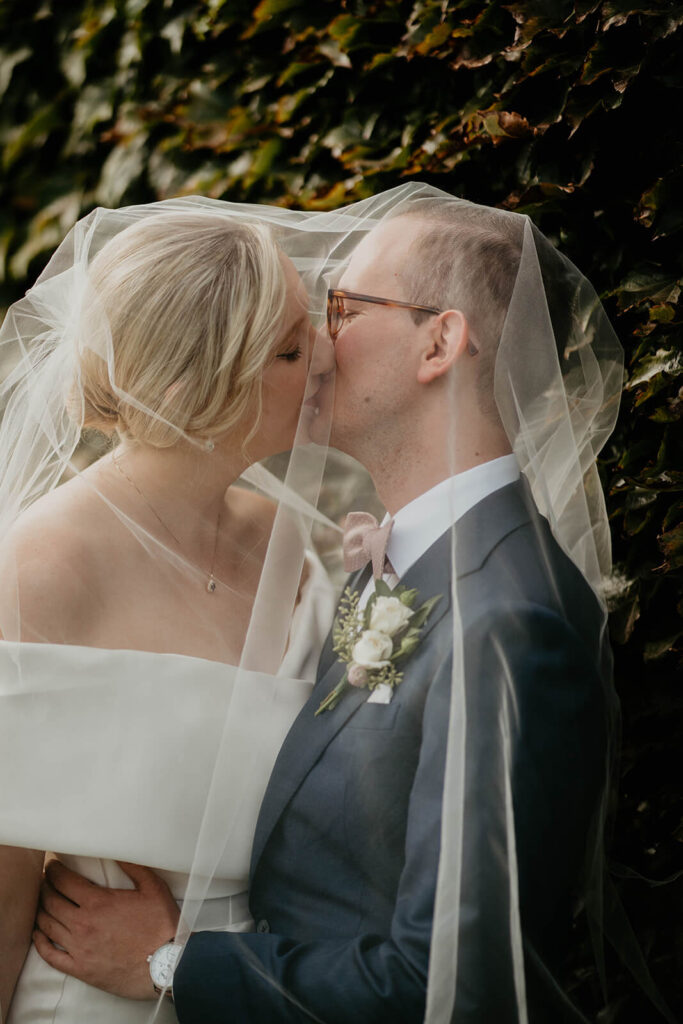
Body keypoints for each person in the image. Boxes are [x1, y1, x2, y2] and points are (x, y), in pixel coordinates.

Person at [22, 185, 625, 1023]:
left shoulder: (506, 621)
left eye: (344, 306)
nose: (321, 342)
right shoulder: (395, 564)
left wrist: (175, 964)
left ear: (438, 343)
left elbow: (459, 985)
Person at [0, 207, 338, 1022]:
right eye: (292, 350)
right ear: (197, 390)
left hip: (272, 988)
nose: (330, 359)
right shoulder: (41, 570)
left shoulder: (289, 543)